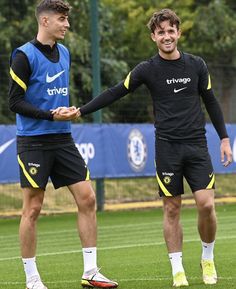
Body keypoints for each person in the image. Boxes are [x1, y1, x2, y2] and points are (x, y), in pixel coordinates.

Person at [72, 8, 233, 288]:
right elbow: (115, 91)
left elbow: (211, 102)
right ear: (153, 37)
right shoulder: (147, 69)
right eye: (161, 32)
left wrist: (224, 138)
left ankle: (207, 258)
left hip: (196, 146)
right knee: (172, 208)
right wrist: (82, 111)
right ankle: (177, 269)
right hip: (167, 148)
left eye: (171, 30)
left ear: (178, 33)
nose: (167, 36)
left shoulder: (197, 65)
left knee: (206, 205)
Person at [8, 1, 118, 289]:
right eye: (61, 19)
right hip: (33, 142)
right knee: (32, 209)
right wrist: (49, 115)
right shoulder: (23, 55)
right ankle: (32, 279)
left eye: (67, 19)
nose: (67, 25)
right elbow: (14, 102)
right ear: (44, 21)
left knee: (88, 199)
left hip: (63, 138)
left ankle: (91, 272)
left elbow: (53, 96)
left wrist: (65, 111)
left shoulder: (65, 53)